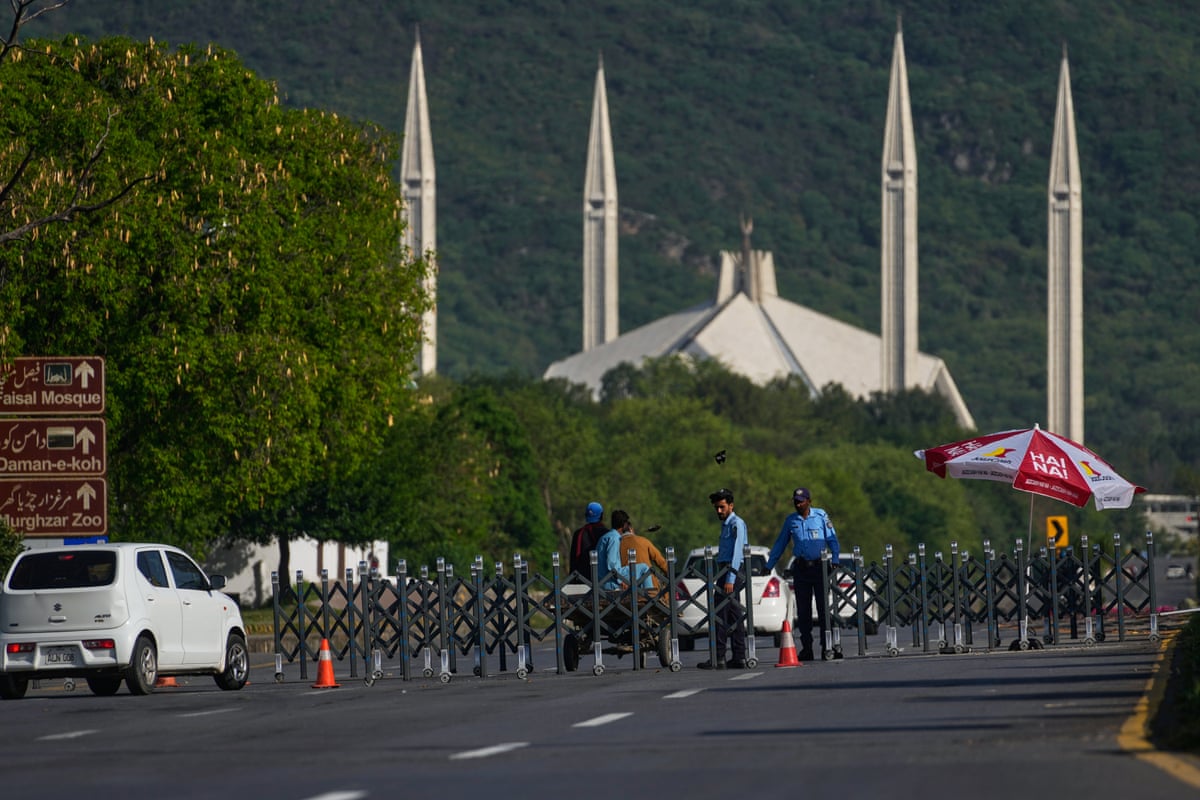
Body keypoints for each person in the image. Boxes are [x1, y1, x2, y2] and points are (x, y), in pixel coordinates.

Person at [765, 487, 840, 661]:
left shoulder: (820, 516)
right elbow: (780, 544)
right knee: (804, 611)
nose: (798, 504)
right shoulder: (791, 521)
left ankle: (827, 646)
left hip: (820, 567)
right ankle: (807, 648)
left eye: (801, 501)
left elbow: (832, 539)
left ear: (809, 501)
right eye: (796, 501)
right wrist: (769, 565)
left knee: (823, 610)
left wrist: (835, 557)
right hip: (801, 569)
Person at [698, 488, 747, 669]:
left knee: (719, 614)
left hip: (731, 571)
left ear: (731, 506)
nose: (719, 511)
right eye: (716, 508)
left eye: (722, 507)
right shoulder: (727, 523)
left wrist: (730, 579)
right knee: (734, 615)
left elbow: (737, 552)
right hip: (726, 570)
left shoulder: (736, 523)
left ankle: (718, 657)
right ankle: (739, 656)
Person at [593, 509, 648, 590]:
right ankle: (651, 597)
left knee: (636, 571)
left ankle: (643, 596)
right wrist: (621, 581)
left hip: (602, 580)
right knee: (644, 568)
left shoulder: (605, 537)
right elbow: (611, 565)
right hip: (609, 583)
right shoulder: (614, 539)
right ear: (624, 525)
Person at [618, 521, 669, 592]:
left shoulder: (617, 544)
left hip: (626, 588)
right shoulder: (643, 541)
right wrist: (669, 577)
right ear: (631, 529)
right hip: (648, 587)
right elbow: (661, 562)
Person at [569, 501, 608, 579]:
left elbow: (573, 559)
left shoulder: (578, 533)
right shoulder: (607, 534)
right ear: (601, 516)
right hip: (602, 578)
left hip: (581, 577)